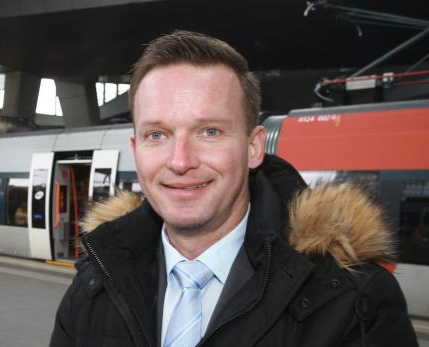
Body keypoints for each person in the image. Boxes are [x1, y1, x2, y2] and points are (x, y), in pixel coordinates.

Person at [50, 31, 418, 346]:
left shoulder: (354, 298)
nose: (180, 161)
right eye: (157, 134)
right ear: (135, 150)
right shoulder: (93, 285)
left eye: (209, 131)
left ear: (253, 147)